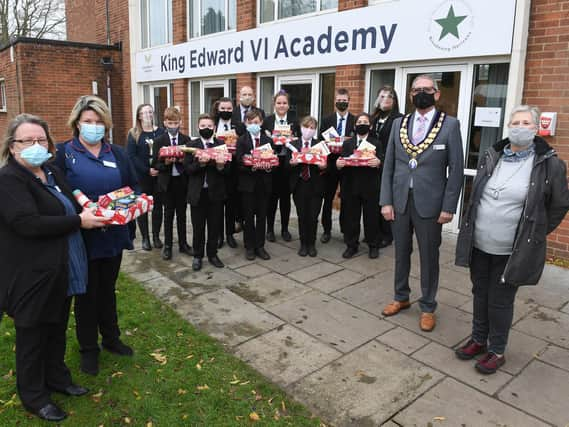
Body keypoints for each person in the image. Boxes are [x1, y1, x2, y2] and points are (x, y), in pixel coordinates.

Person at [0, 114, 106, 421]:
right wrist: (78, 221)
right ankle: (33, 395)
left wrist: (93, 211)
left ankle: (57, 378)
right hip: (31, 275)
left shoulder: (50, 171)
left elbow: (70, 204)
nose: (35, 145)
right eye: (27, 140)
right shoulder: (9, 180)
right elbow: (26, 224)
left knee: (57, 327)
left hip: (62, 268)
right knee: (33, 335)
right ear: (12, 146)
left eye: (41, 139)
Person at [455, 105, 569, 374]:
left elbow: (560, 204)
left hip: (512, 251)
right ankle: (478, 339)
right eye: (515, 122)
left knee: (500, 300)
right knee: (479, 293)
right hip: (480, 243)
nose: (519, 127)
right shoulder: (493, 154)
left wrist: (536, 232)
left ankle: (497, 350)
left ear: (535, 127)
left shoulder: (549, 163)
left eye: (526, 123)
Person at [55, 95, 138, 376]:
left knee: (108, 290)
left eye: (98, 121)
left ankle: (111, 339)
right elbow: (58, 191)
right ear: (77, 124)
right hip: (83, 237)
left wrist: (130, 209)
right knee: (87, 295)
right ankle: (88, 349)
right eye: (88, 121)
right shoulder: (63, 153)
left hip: (113, 235)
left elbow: (131, 188)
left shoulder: (117, 153)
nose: (93, 126)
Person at [380, 75, 464, 332]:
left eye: (427, 90)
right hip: (400, 200)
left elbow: (457, 170)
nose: (421, 94)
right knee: (401, 252)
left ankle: (428, 306)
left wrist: (449, 206)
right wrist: (386, 201)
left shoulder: (450, 125)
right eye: (416, 90)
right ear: (410, 95)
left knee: (429, 256)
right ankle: (401, 296)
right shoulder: (399, 124)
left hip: (431, 204)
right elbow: (389, 166)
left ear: (437, 94)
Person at [184, 114, 229, 271]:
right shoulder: (191, 145)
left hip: (216, 193)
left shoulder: (221, 145)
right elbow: (187, 170)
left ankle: (213, 254)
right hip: (197, 194)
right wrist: (200, 164)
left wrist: (221, 166)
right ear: (198, 128)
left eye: (209, 126)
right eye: (203, 126)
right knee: (198, 227)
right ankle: (197, 256)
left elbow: (228, 171)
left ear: (214, 128)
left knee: (215, 226)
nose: (206, 129)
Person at [336, 113, 382, 259]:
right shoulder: (348, 143)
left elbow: (384, 160)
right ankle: (352, 245)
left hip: (370, 186)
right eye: (359, 122)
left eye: (365, 122)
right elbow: (342, 161)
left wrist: (379, 162)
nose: (362, 124)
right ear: (355, 126)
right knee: (351, 218)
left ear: (371, 126)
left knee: (372, 218)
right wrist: (339, 164)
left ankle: (373, 245)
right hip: (351, 186)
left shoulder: (376, 143)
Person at [151, 107, 193, 260]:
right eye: (170, 123)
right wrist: (166, 163)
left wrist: (183, 161)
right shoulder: (159, 141)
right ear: (165, 123)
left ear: (180, 122)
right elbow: (155, 164)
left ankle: (183, 244)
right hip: (167, 183)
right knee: (168, 215)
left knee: (182, 215)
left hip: (181, 182)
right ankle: (168, 246)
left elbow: (190, 163)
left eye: (176, 123)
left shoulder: (186, 140)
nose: (173, 126)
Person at [262, 90, 300, 243]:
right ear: (274, 104)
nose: (282, 105)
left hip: (287, 164)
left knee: (285, 199)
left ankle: (284, 229)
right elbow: (263, 142)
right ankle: (270, 229)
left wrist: (292, 140)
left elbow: (298, 141)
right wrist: (272, 140)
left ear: (288, 105)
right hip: (273, 163)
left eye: (284, 103)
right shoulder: (268, 121)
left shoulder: (294, 120)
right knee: (271, 198)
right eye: (279, 103)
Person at [127, 104, 166, 251]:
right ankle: (145, 238)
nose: (148, 115)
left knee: (158, 207)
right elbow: (131, 156)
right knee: (142, 207)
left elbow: (165, 151)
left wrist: (157, 168)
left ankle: (156, 236)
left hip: (158, 175)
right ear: (139, 116)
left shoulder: (161, 132)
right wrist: (146, 170)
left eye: (150, 112)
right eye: (145, 113)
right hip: (142, 177)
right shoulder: (134, 133)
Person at [236, 109, 274, 260]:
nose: (253, 125)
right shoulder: (242, 141)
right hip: (248, 185)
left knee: (262, 216)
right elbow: (238, 162)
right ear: (246, 123)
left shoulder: (268, 141)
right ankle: (249, 246)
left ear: (261, 123)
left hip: (263, 184)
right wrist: (250, 165)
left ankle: (260, 246)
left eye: (256, 122)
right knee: (249, 216)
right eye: (250, 122)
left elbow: (272, 160)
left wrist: (269, 166)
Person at [319, 88, 355, 243]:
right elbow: (321, 141)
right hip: (331, 164)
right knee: (328, 198)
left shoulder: (355, 120)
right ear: (335, 101)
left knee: (347, 199)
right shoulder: (327, 120)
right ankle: (326, 230)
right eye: (339, 100)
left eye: (344, 100)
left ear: (349, 100)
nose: (341, 102)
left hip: (348, 165)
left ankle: (345, 229)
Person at [370, 86, 403, 248]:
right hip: (372, 167)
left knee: (387, 200)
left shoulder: (399, 119)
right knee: (375, 201)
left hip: (389, 166)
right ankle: (374, 232)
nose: (385, 99)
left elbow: (399, 147)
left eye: (389, 97)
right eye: (382, 96)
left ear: (394, 101)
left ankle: (387, 235)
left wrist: (381, 160)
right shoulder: (373, 118)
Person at [289, 116, 326, 257]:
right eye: (306, 127)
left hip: (315, 185)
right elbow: (287, 164)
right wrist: (292, 163)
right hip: (299, 185)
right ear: (301, 127)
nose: (308, 130)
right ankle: (303, 243)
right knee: (302, 215)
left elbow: (325, 166)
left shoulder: (319, 145)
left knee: (313, 216)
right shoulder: (294, 144)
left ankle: (312, 244)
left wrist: (323, 166)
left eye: (312, 128)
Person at [212, 97, 243, 249]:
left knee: (231, 205)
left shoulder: (239, 125)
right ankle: (218, 235)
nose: (225, 111)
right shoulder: (212, 125)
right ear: (218, 109)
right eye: (223, 109)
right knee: (217, 206)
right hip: (217, 170)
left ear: (233, 110)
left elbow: (244, 144)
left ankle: (230, 234)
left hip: (233, 171)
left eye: (229, 109)